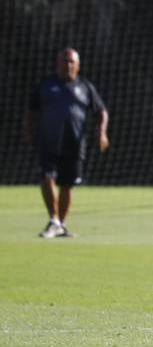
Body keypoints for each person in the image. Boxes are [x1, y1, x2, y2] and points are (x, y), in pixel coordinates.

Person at [24, 47, 110, 238]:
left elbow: (102, 111)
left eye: (72, 61)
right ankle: (54, 220)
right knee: (46, 177)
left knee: (67, 184)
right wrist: (29, 130)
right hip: (48, 141)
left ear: (78, 65)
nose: (68, 64)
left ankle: (60, 224)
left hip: (74, 143)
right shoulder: (46, 85)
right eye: (64, 61)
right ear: (58, 64)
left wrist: (102, 134)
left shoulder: (85, 87)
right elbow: (31, 109)